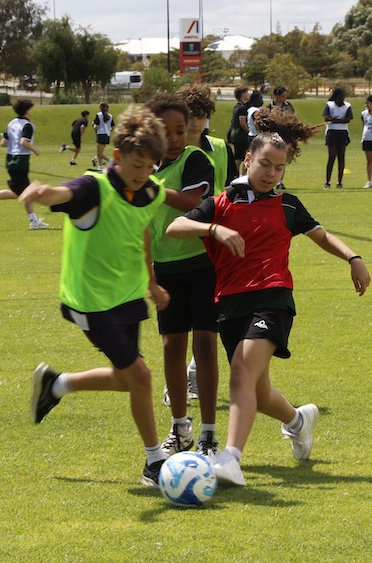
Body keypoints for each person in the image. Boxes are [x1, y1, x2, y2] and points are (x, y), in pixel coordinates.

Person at [165, 109, 371, 486]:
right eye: (265, 164)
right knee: (256, 392)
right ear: (248, 160)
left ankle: (230, 459)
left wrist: (353, 258)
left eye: (279, 168)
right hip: (229, 305)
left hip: (273, 299)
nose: (272, 173)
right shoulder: (222, 204)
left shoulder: (287, 205)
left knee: (241, 372)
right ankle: (298, 420)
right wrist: (214, 230)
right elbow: (175, 226)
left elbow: (322, 235)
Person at [25, 106, 180, 487]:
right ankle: (153, 462)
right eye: (136, 164)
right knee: (141, 375)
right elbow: (63, 192)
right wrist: (42, 192)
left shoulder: (149, 191)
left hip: (127, 296)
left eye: (149, 166)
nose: (142, 173)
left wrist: (152, 282)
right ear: (116, 156)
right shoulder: (94, 187)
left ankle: (56, 385)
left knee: (130, 381)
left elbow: (142, 229)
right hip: (90, 301)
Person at [143, 92, 221, 462]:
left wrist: (152, 190)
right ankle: (180, 426)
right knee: (171, 349)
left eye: (180, 130)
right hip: (167, 270)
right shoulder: (145, 170)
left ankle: (209, 434)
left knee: (204, 346)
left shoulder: (196, 160)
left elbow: (193, 205)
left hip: (203, 265)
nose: (175, 138)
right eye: (166, 131)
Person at [0, 99, 48, 230]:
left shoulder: (12, 123)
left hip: (11, 160)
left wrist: (14, 143)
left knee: (20, 192)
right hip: (21, 161)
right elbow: (24, 142)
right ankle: (33, 221)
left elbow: (3, 143)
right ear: (27, 110)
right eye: (31, 109)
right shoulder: (27, 125)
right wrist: (34, 149)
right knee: (27, 193)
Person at [176, 83, 237, 190]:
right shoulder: (166, 150)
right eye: (190, 117)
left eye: (201, 117)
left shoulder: (222, 148)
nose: (196, 124)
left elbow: (231, 188)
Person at [322, 87, 352, 189]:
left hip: (343, 132)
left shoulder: (347, 106)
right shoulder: (330, 105)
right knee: (331, 157)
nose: (342, 99)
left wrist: (335, 120)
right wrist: (339, 120)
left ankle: (340, 181)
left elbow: (348, 119)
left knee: (341, 157)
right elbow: (326, 118)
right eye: (340, 97)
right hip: (332, 132)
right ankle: (327, 181)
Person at [227, 86, 251, 163]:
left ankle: (236, 174)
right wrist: (249, 131)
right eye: (247, 92)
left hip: (235, 135)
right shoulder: (242, 108)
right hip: (241, 135)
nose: (248, 94)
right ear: (243, 94)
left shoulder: (236, 107)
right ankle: (243, 174)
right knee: (247, 155)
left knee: (238, 157)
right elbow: (242, 122)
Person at [92, 103, 113, 170]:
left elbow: (96, 126)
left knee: (99, 154)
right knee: (100, 153)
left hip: (101, 134)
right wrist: (109, 131)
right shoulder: (110, 116)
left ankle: (111, 161)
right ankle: (100, 167)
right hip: (107, 135)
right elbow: (113, 127)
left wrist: (93, 127)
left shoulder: (99, 115)